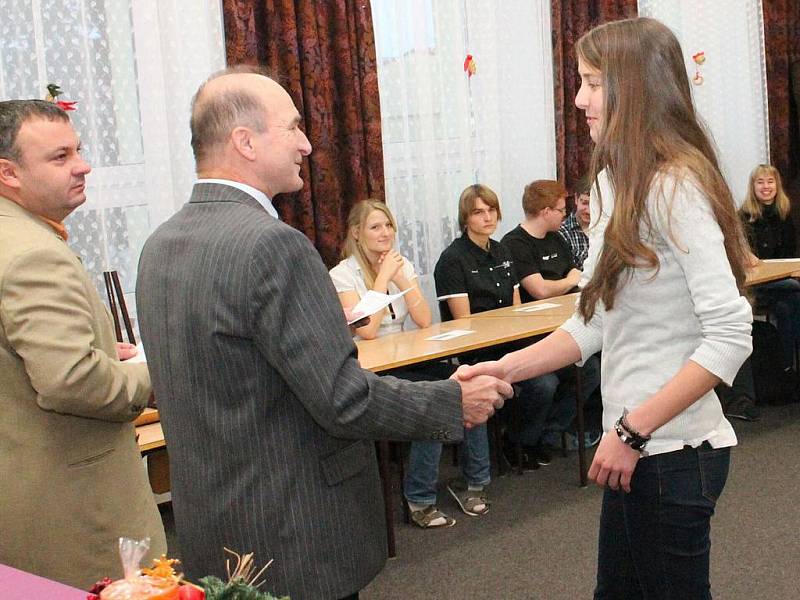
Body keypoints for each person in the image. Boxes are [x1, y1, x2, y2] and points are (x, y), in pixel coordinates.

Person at [135, 68, 511, 600]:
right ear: (245, 141)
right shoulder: (273, 245)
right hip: (293, 530)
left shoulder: (160, 244)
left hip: (215, 526)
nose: (307, 145)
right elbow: (341, 398)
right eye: (292, 128)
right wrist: (451, 403)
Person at [456, 18, 752, 598]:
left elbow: (730, 335)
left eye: (592, 82)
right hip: (637, 449)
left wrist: (632, 431)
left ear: (635, 89)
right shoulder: (618, 182)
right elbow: (592, 323)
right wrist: (504, 369)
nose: (578, 99)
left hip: (668, 452)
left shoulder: (674, 185)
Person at [0, 99, 166, 589]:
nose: (83, 165)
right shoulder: (32, 254)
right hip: (73, 509)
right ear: (8, 173)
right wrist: (157, 374)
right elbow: (71, 383)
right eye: (60, 157)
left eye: (78, 150)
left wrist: (92, 349)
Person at [330, 200, 469, 528]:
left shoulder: (400, 264)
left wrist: (404, 278)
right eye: (375, 227)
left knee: (463, 378)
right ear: (356, 233)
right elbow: (367, 329)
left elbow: (422, 321)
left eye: (388, 225)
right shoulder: (341, 274)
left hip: (403, 357)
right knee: (429, 401)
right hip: (366, 368)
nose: (385, 233)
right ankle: (419, 500)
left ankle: (474, 481)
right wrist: (382, 279)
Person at [500, 180, 601, 449]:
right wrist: (567, 281)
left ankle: (550, 432)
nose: (564, 215)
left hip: (563, 324)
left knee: (591, 370)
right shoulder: (514, 243)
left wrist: (569, 281)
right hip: (530, 335)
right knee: (545, 383)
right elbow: (541, 289)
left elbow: (576, 279)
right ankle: (524, 441)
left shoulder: (556, 239)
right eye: (560, 210)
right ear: (545, 212)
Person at [740, 163, 800, 371]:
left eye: (770, 181)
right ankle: (787, 366)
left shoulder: (785, 213)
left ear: (777, 185)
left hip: (783, 285)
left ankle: (786, 366)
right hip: (757, 285)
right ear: (753, 187)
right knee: (795, 289)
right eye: (760, 182)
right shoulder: (744, 216)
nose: (766, 186)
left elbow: (791, 254)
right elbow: (740, 252)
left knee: (788, 306)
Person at [559, 179, 591, 270]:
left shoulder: (607, 229)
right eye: (584, 203)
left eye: (594, 205)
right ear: (576, 198)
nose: (588, 211)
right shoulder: (562, 233)